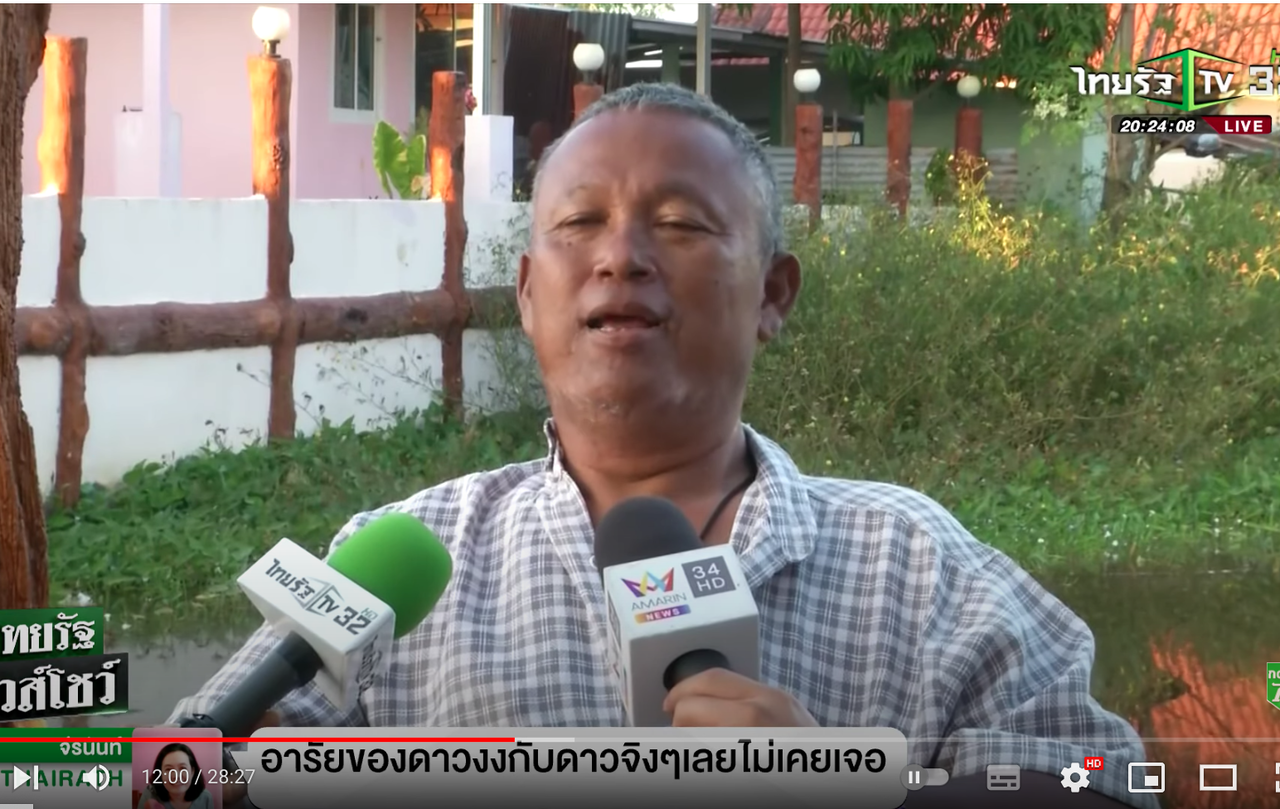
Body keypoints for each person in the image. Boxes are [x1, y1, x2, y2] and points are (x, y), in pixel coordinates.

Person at [169, 83, 1152, 808]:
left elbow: (1104, 778)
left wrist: (865, 786)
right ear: (528, 294)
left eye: (679, 223)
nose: (620, 255)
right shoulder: (399, 556)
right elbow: (176, 771)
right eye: (579, 223)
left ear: (772, 294)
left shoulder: (916, 561)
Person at [137, 743, 214, 809]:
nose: (176, 776)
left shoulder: (205, 797)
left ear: (192, 772)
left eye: (183, 768)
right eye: (168, 769)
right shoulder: (150, 794)